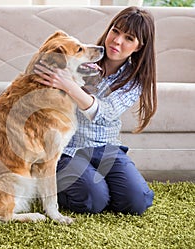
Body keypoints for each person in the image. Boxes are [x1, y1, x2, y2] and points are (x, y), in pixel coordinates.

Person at [34, 6, 157, 215]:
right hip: (68, 149)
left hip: (105, 148)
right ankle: (67, 183)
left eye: (129, 38)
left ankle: (95, 184)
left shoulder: (134, 80)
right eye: (115, 31)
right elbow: (41, 75)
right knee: (93, 199)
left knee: (137, 201)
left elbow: (105, 113)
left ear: (138, 46)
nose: (117, 41)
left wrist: (68, 85)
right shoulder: (82, 56)